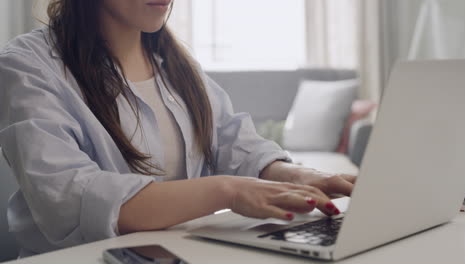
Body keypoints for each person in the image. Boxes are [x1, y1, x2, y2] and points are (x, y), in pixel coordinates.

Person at [0, 0, 356, 257]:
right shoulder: (27, 68)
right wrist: (228, 191)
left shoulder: (177, 64)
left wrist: (292, 175)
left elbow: (232, 140)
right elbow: (72, 196)